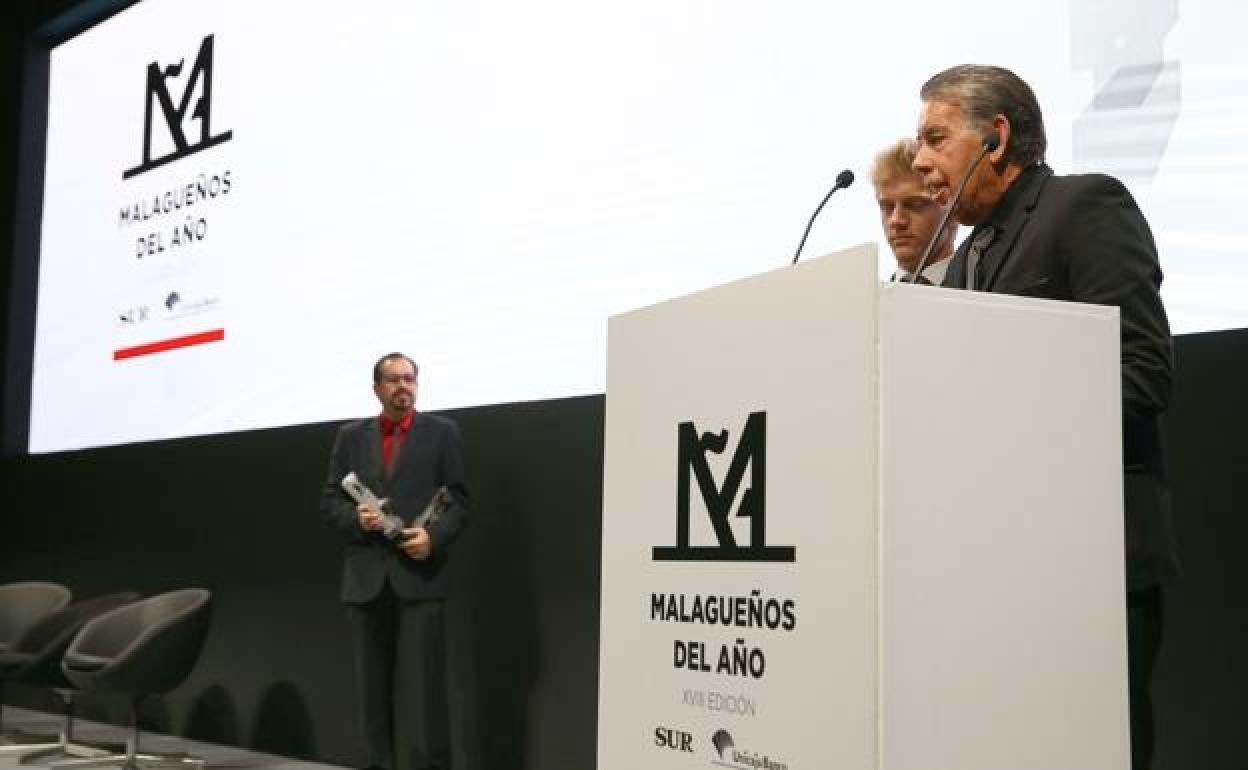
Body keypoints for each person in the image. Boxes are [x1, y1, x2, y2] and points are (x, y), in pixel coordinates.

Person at [912, 64, 1176, 770]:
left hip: (1092, 563)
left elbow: (1144, 371)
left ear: (996, 138)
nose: (918, 160)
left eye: (935, 137)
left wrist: (1006, 422)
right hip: (997, 568)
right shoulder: (967, 257)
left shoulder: (1085, 206)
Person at [321, 353, 470, 770]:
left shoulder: (443, 433)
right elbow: (330, 499)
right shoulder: (350, 437)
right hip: (367, 577)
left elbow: (459, 501)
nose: (403, 386)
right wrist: (357, 518)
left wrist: (433, 538)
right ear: (376, 389)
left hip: (420, 574)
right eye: (393, 380)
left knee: (427, 691)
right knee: (371, 690)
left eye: (410, 379)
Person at [871, 137, 958, 284]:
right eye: (887, 207)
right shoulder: (867, 303)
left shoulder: (984, 288)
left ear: (954, 212)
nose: (896, 220)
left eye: (915, 205)